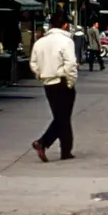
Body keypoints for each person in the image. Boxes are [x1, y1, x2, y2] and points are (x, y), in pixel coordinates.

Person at [29, 12, 79, 162]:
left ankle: (66, 149)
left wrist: (41, 75)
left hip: (48, 83)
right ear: (65, 25)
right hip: (62, 81)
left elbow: (33, 63)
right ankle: (43, 142)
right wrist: (71, 81)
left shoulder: (40, 42)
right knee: (63, 117)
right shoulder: (66, 41)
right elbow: (70, 64)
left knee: (61, 116)